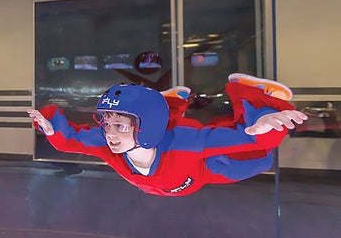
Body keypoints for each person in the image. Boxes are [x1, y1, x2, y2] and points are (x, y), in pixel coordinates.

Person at [27, 73, 307, 197]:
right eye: (105, 123)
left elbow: (245, 138)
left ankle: (254, 94)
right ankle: (167, 104)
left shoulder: (186, 142)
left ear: (146, 128)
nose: (109, 134)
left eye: (120, 126)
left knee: (260, 159)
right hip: (165, 184)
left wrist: (262, 121)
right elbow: (71, 139)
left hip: (201, 171)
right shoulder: (106, 142)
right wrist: (50, 128)